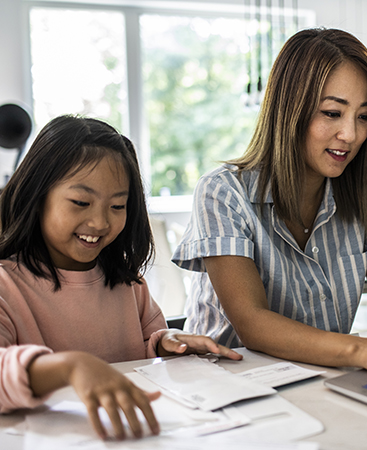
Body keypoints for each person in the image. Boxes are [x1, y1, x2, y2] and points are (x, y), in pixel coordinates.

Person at [173, 28, 367, 375]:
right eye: (331, 113)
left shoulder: (364, 194)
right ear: (289, 110)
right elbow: (252, 321)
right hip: (225, 390)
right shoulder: (222, 193)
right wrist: (362, 348)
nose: (351, 135)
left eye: (363, 116)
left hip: (320, 381)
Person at [0, 115, 242, 440]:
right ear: (36, 195)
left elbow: (147, 345)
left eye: (117, 205)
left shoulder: (129, 284)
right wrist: (71, 368)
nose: (100, 222)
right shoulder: (6, 285)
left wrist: (168, 344)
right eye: (81, 202)